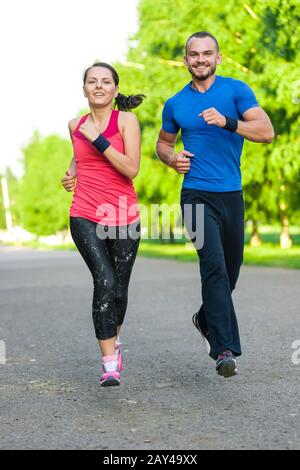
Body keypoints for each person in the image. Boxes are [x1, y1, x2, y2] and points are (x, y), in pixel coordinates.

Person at [156, 32, 275, 378]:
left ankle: (205, 318)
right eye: (194, 54)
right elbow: (163, 144)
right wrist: (171, 158)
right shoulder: (176, 103)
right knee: (214, 266)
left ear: (218, 58)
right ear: (185, 61)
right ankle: (224, 350)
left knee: (231, 270)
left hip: (231, 195)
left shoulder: (236, 91)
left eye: (207, 53)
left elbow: (266, 132)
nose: (200, 59)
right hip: (194, 195)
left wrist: (228, 122)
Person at [61, 62, 145, 387]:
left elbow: (131, 168)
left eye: (105, 81)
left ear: (114, 89)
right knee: (105, 280)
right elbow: (79, 157)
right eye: (92, 81)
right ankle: (109, 364)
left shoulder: (126, 121)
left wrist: (99, 140)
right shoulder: (74, 124)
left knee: (120, 291)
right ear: (84, 89)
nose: (98, 86)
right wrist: (72, 174)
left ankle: (115, 342)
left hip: (124, 215)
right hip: (84, 213)